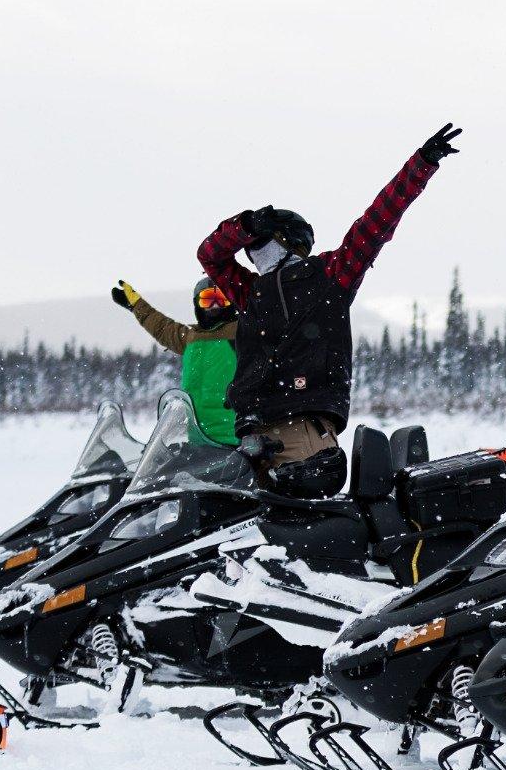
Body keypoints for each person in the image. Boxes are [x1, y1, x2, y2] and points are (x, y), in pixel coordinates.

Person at [196, 123, 462, 495]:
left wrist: (420, 164)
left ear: (287, 241)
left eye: (259, 241)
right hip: (247, 438)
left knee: (300, 537)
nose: (252, 250)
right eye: (249, 245)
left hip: (302, 435)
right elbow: (210, 254)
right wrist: (244, 225)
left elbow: (377, 221)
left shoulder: (329, 276)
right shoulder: (251, 292)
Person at [112, 277, 240, 445]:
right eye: (207, 300)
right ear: (197, 304)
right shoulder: (191, 338)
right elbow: (161, 327)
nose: (215, 306)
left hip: (235, 438)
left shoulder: (241, 332)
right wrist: (136, 304)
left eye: (221, 300)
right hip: (197, 438)